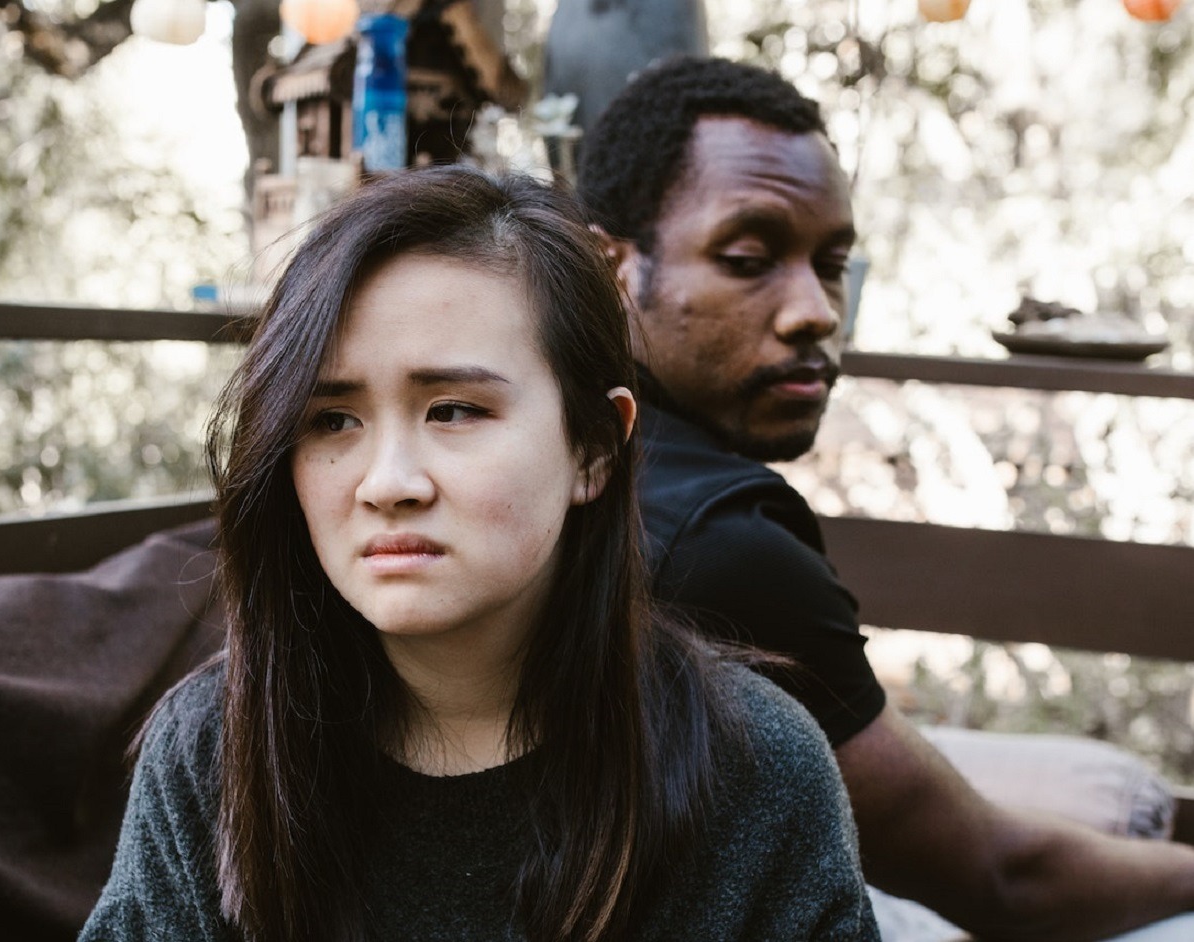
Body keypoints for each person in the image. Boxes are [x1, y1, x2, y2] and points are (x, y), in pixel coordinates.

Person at [79, 166, 879, 941]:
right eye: (332, 421)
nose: (387, 483)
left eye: (454, 410)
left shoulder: (759, 773)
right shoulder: (215, 751)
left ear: (595, 447)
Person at [575, 54, 1194, 941]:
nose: (817, 312)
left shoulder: (581, 450)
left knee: (1114, 797)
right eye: (749, 259)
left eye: (833, 264)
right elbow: (1001, 880)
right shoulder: (721, 541)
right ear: (613, 270)